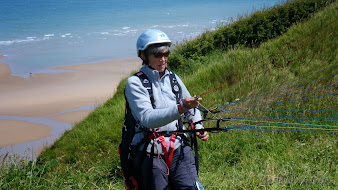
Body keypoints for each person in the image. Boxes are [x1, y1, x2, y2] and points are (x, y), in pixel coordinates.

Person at [124, 29, 209, 190]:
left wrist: (198, 126)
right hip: (151, 152)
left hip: (178, 146)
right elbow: (147, 118)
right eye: (157, 55)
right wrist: (181, 107)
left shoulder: (173, 78)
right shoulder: (135, 83)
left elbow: (191, 108)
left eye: (165, 54)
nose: (162, 59)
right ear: (143, 56)